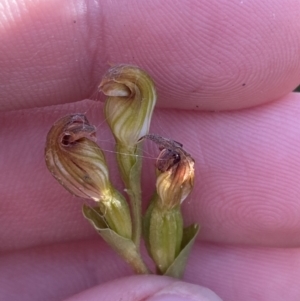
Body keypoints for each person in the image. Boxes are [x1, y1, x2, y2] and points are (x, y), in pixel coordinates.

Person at [1, 1, 300, 300]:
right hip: (129, 197)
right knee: (125, 204)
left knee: (151, 205)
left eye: (129, 93)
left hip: (154, 205)